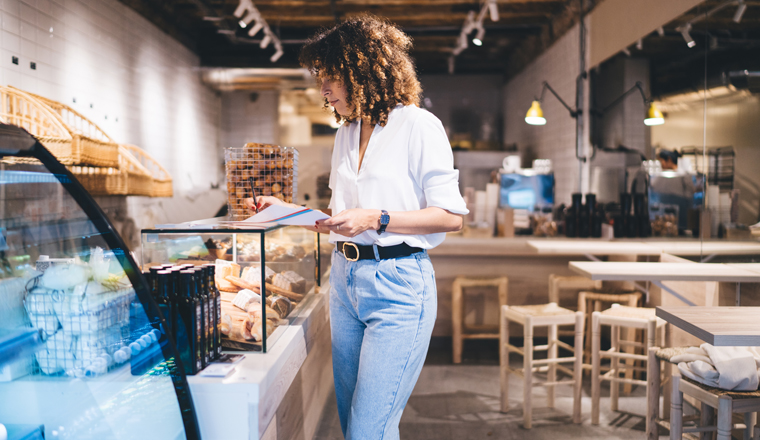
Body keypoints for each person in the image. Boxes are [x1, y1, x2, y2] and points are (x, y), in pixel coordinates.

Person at [245, 14, 468, 440]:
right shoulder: (346, 133)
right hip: (345, 284)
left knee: (370, 430)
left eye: (330, 78)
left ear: (362, 70)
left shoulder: (418, 125)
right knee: (356, 427)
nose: (323, 90)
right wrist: (285, 209)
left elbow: (450, 217)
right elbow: (339, 222)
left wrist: (379, 217)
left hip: (399, 287)